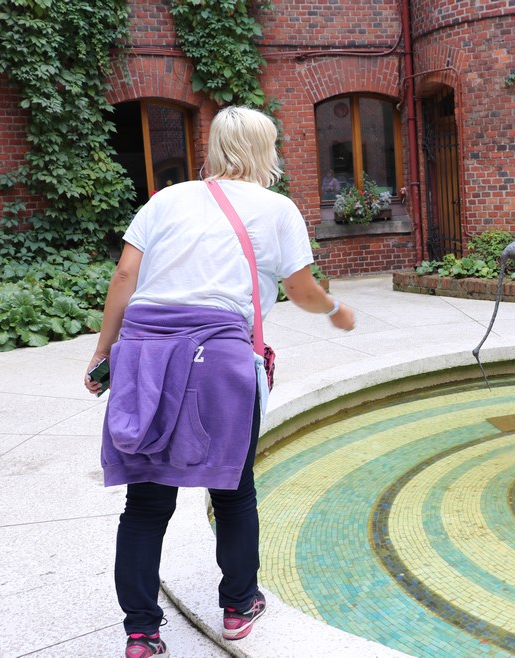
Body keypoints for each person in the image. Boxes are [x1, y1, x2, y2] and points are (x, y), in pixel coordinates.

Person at [85, 105, 355, 658]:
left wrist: (103, 352)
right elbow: (301, 290)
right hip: (220, 357)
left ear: (213, 148)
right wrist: (335, 309)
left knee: (145, 504)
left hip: (146, 356)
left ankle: (141, 634)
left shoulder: (165, 200)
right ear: (265, 150)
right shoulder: (277, 209)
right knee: (233, 491)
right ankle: (238, 607)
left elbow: (125, 275)